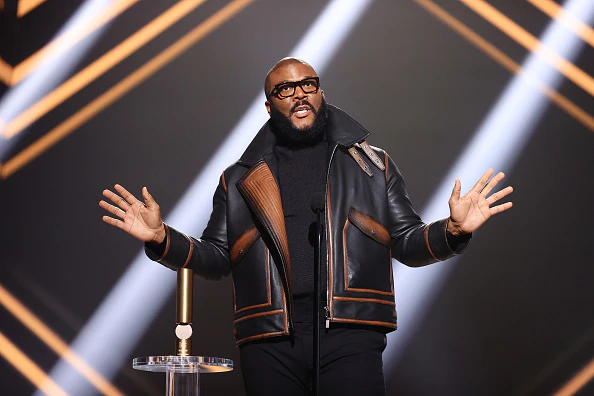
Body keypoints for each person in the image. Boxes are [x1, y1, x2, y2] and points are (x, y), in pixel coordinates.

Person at [99, 58, 513, 395]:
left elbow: (406, 242)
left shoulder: (372, 164)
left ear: (321, 94)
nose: (299, 93)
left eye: (308, 84)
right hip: (269, 336)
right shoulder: (240, 179)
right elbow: (217, 257)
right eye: (285, 88)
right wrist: (160, 239)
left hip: (350, 330)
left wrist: (454, 231)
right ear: (268, 105)